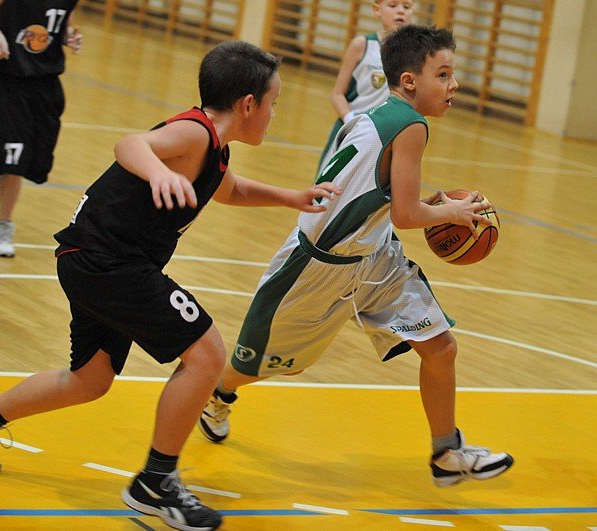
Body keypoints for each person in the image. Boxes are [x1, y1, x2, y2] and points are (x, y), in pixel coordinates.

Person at [0, 41, 340, 531]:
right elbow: (131, 144)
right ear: (247, 104)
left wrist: (291, 197)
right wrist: (155, 172)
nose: (274, 114)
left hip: (92, 259)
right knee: (207, 355)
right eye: (273, 103)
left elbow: (231, 189)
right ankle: (155, 483)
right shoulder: (193, 133)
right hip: (108, 262)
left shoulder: (214, 148)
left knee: (90, 380)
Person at [199, 25, 514, 488]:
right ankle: (219, 393)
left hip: (375, 256)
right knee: (262, 364)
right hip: (317, 265)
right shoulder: (411, 125)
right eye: (444, 74)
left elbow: (388, 202)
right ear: (409, 81)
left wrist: (429, 206)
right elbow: (408, 214)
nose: (454, 84)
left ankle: (446, 452)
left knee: (441, 347)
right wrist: (451, 212)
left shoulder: (382, 113)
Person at [0, 0, 84, 258]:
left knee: (37, 159)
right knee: (15, 158)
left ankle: (5, 177)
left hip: (48, 83)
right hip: (12, 81)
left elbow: (62, 25)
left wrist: (69, 37)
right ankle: (2, 227)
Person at [317, 0, 413, 174]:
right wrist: (351, 121)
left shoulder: (413, 55)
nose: (401, 11)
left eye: (406, 7)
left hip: (383, 136)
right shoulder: (361, 45)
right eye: (393, 5)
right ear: (377, 10)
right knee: (326, 186)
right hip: (351, 130)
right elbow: (337, 93)